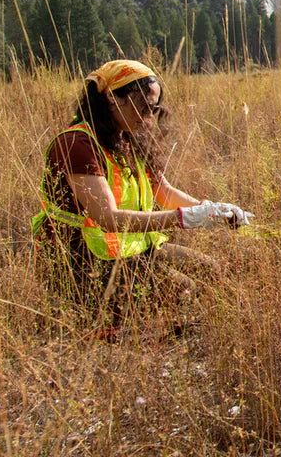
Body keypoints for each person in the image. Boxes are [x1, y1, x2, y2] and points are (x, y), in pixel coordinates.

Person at [32, 60, 253, 311]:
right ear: (114, 98)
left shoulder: (129, 136)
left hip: (131, 249)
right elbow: (108, 218)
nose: (149, 117)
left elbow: (163, 191)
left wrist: (211, 209)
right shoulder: (77, 144)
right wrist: (185, 218)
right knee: (183, 291)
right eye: (144, 107)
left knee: (212, 271)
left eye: (153, 109)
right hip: (83, 262)